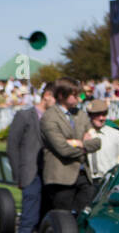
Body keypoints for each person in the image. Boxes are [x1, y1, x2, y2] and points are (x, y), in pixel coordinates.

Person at [5, 84, 54, 233]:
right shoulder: (25, 116)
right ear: (47, 96)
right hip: (30, 175)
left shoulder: (54, 118)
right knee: (28, 221)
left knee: (46, 221)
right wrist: (19, 176)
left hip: (50, 175)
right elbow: (12, 146)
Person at [40, 78, 99, 215]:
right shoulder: (49, 118)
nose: (79, 98)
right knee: (63, 220)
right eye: (75, 95)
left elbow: (97, 142)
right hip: (61, 178)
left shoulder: (81, 115)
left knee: (85, 216)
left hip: (84, 175)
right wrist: (85, 146)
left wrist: (77, 143)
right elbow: (63, 149)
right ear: (61, 95)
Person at [79, 100, 119, 182]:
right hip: (87, 181)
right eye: (97, 114)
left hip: (109, 180)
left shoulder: (116, 135)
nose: (101, 118)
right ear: (89, 115)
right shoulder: (81, 133)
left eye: (104, 114)